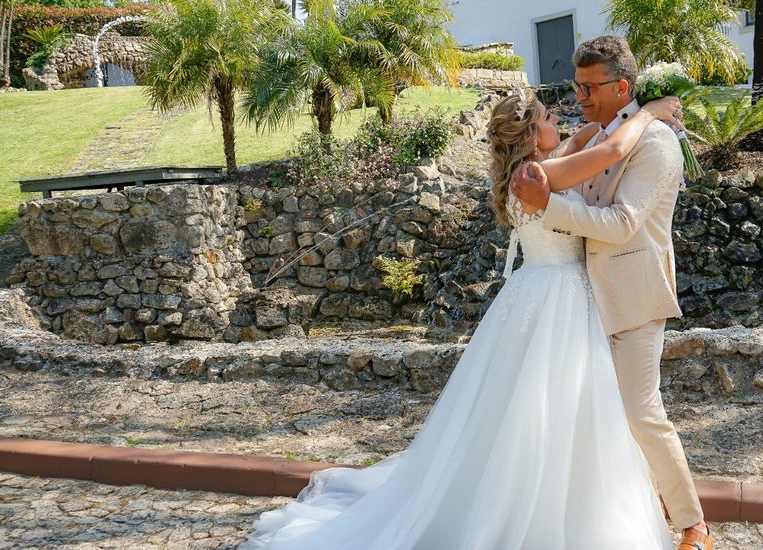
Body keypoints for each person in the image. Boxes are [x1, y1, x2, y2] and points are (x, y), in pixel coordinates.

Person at [241, 82, 684, 549]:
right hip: (559, 300)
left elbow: (588, 138)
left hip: (544, 295)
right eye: (550, 118)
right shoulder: (538, 177)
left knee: (545, 407)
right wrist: (649, 112)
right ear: (533, 135)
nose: (562, 123)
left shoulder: (536, 167)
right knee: (544, 408)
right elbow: (613, 146)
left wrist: (622, 109)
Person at [511, 35, 713, 550]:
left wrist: (546, 208)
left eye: (588, 87)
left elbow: (622, 223)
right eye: (575, 86)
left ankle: (693, 525)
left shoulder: (657, 143)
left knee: (641, 411)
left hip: (633, 297)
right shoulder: (599, 136)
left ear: (621, 86)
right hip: (578, 302)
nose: (578, 96)